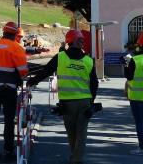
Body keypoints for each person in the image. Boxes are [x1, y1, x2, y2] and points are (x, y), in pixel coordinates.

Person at [27, 29, 98, 164]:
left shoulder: (60, 57)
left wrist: (32, 81)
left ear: (68, 41)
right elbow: (94, 83)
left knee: (71, 132)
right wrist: (92, 101)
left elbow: (46, 71)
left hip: (67, 102)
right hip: (84, 102)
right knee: (81, 133)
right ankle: (77, 159)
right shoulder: (89, 61)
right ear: (81, 42)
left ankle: (75, 158)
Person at [0, 22, 28, 161]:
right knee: (9, 120)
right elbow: (23, 72)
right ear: (14, 34)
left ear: (3, 32)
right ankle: (8, 150)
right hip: (9, 88)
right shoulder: (16, 47)